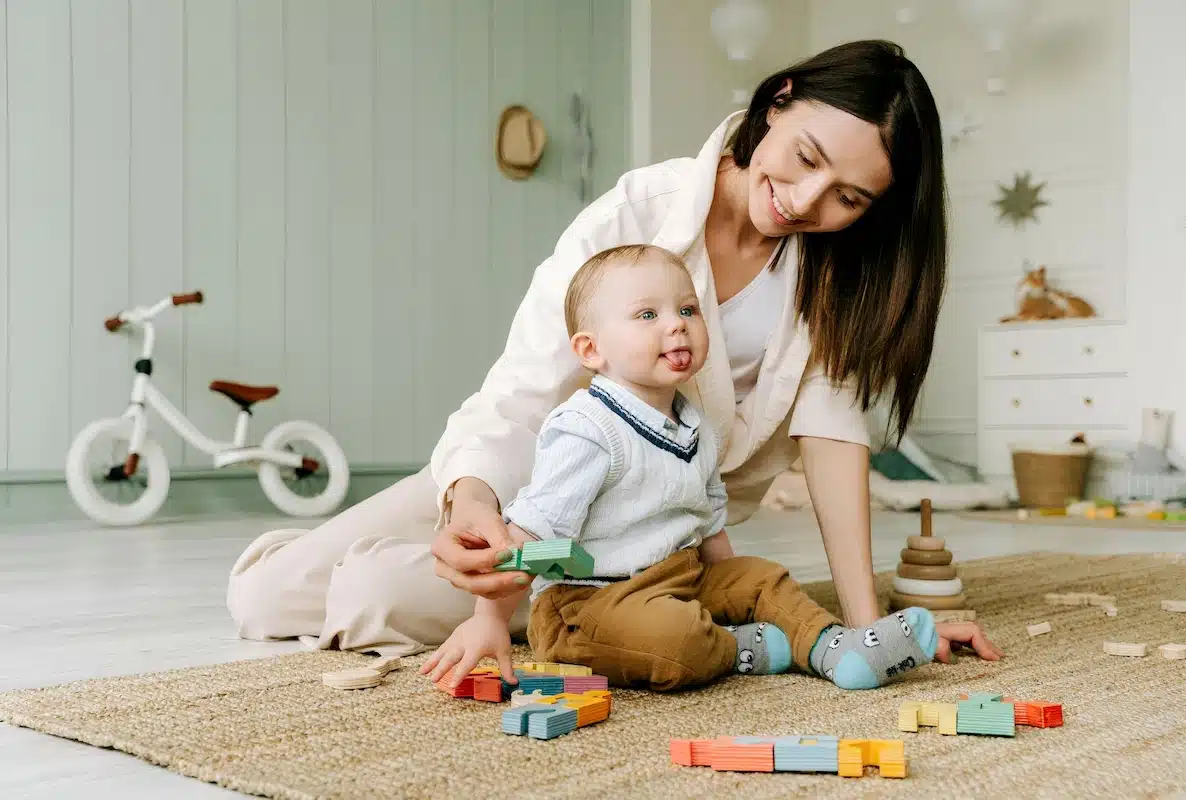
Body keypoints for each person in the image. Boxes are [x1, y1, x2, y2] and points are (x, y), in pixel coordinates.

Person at [227, 39, 1002, 665]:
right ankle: (409, 557)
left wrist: (866, 627)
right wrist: (471, 504)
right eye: (805, 157)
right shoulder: (637, 213)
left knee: (372, 595)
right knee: (261, 596)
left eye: (847, 197)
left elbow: (832, 439)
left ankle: (590, 601)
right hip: (537, 473)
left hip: (646, 537)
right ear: (780, 100)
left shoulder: (839, 279)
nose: (806, 200)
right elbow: (522, 392)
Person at [420, 243, 945, 692]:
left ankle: (838, 648)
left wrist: (734, 591)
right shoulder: (587, 428)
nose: (677, 324)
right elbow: (533, 535)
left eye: (688, 310)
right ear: (592, 349)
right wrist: (488, 619)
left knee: (764, 579)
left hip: (679, 576)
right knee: (676, 639)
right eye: (648, 315)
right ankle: (737, 648)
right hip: (589, 605)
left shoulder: (694, 422)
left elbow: (708, 520)